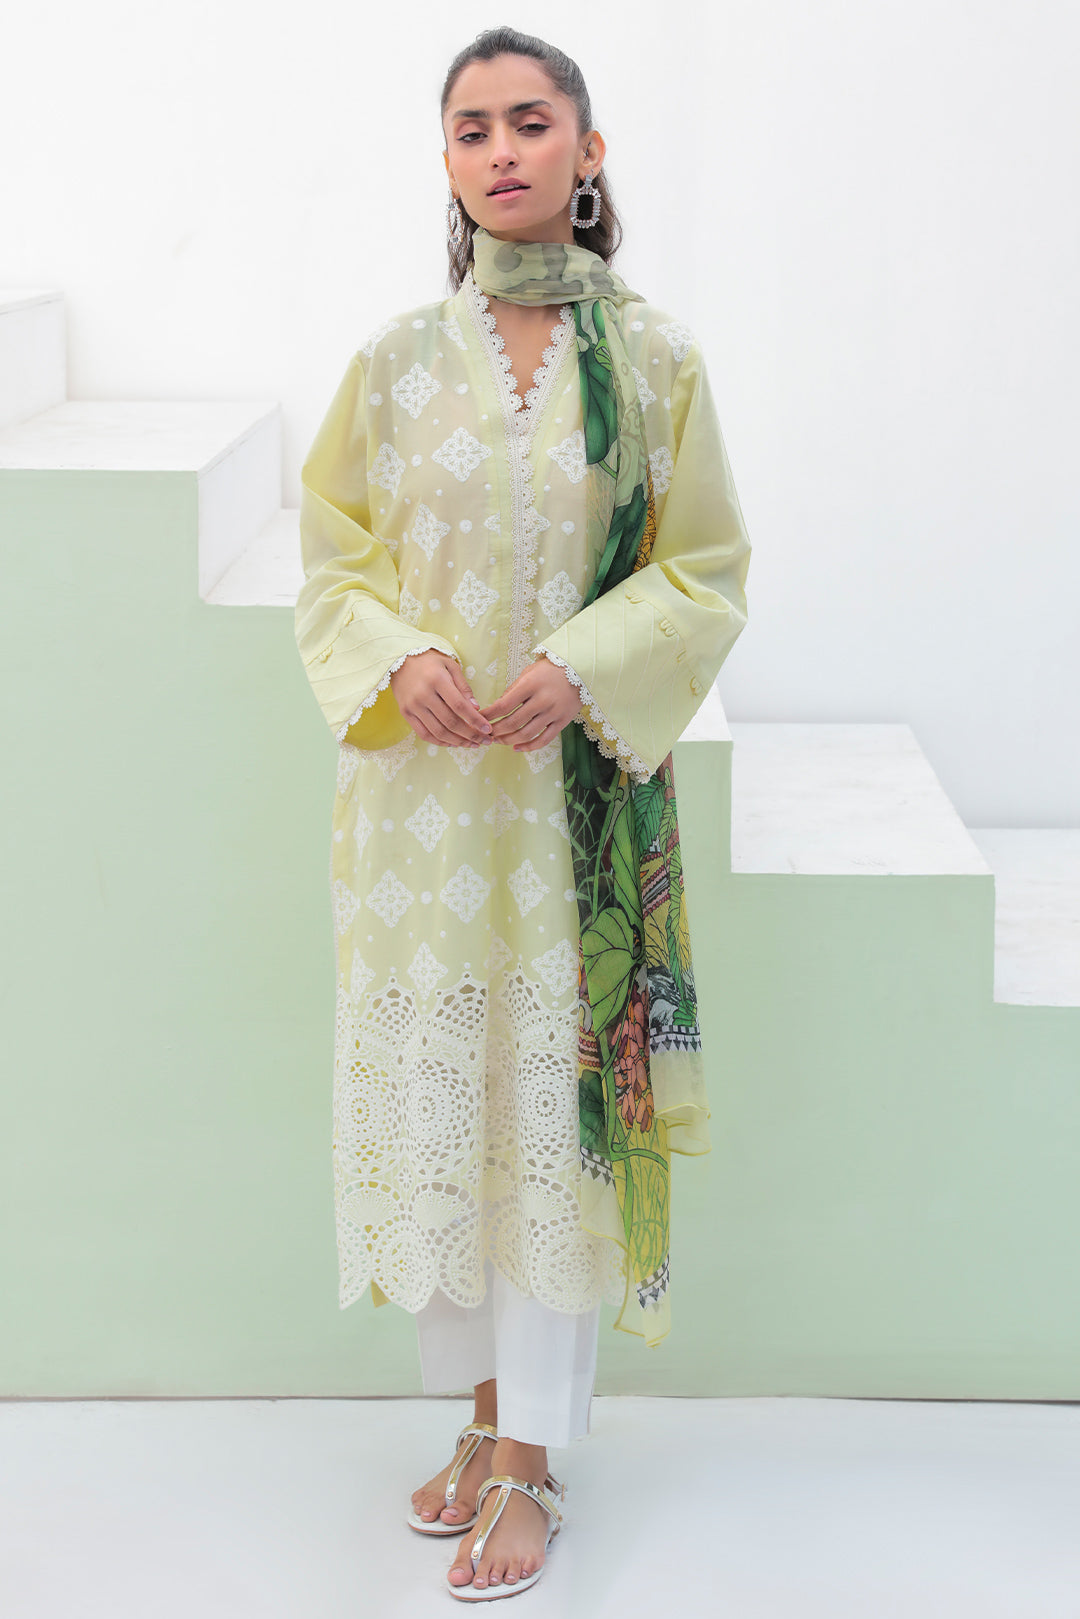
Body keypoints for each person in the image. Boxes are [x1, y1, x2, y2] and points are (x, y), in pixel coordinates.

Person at [294, 26, 751, 1602]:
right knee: (456, 1106)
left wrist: (581, 666)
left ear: (587, 151)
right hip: (422, 821)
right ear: (447, 161)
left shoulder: (657, 362)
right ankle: (489, 1424)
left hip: (574, 818)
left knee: (552, 1118)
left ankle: (536, 1467)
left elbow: (704, 571)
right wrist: (398, 655)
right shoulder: (395, 364)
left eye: (532, 122)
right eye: (473, 128)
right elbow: (334, 563)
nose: (502, 150)